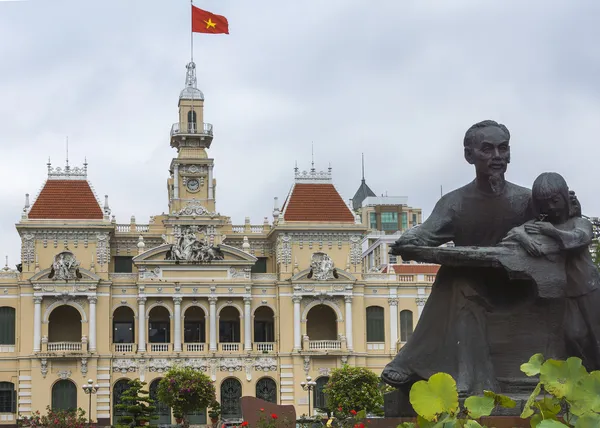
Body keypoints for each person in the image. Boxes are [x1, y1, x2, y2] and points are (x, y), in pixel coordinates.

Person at [382, 120, 540, 394]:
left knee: (459, 282)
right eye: (487, 149)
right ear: (469, 155)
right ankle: (465, 377)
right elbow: (427, 234)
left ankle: (415, 363)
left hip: (519, 285)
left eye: (503, 149)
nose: (497, 157)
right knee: (458, 280)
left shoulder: (526, 200)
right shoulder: (455, 203)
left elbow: (554, 231)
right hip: (473, 285)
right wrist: (410, 240)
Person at [519, 172, 600, 370]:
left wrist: (551, 232)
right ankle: (588, 377)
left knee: (597, 336)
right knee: (574, 335)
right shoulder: (542, 226)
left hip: (589, 288)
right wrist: (525, 239)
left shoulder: (579, 223)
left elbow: (578, 239)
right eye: (544, 203)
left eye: (555, 201)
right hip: (568, 291)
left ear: (565, 197)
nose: (551, 207)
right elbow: (516, 231)